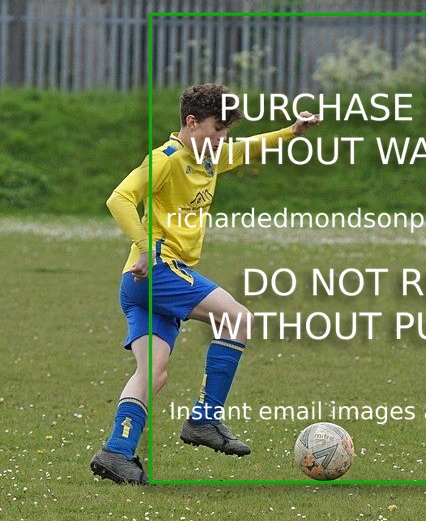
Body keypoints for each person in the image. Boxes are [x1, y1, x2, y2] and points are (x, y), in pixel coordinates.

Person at [91, 83, 319, 485]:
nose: (222, 140)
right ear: (192, 123)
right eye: (217, 130)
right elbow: (120, 199)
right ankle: (203, 420)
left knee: (153, 372)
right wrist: (144, 245)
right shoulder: (166, 159)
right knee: (238, 319)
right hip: (159, 271)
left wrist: (292, 132)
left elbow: (249, 148)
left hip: (140, 284)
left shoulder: (210, 156)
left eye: (226, 132)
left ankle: (116, 451)